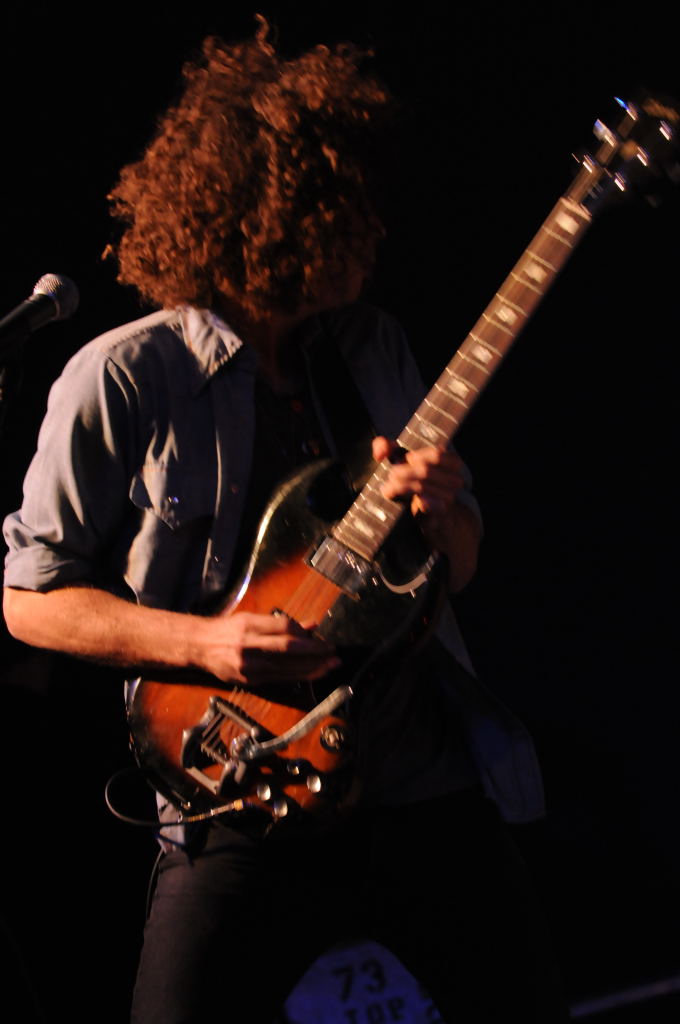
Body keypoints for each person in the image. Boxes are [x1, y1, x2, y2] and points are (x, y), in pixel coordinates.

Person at [2, 21, 567, 1023]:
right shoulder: (123, 376)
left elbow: (463, 567)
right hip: (238, 792)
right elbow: (29, 602)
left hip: (416, 783)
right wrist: (203, 645)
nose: (368, 233)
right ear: (259, 217)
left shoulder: (371, 346)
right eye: (336, 211)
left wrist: (442, 514)